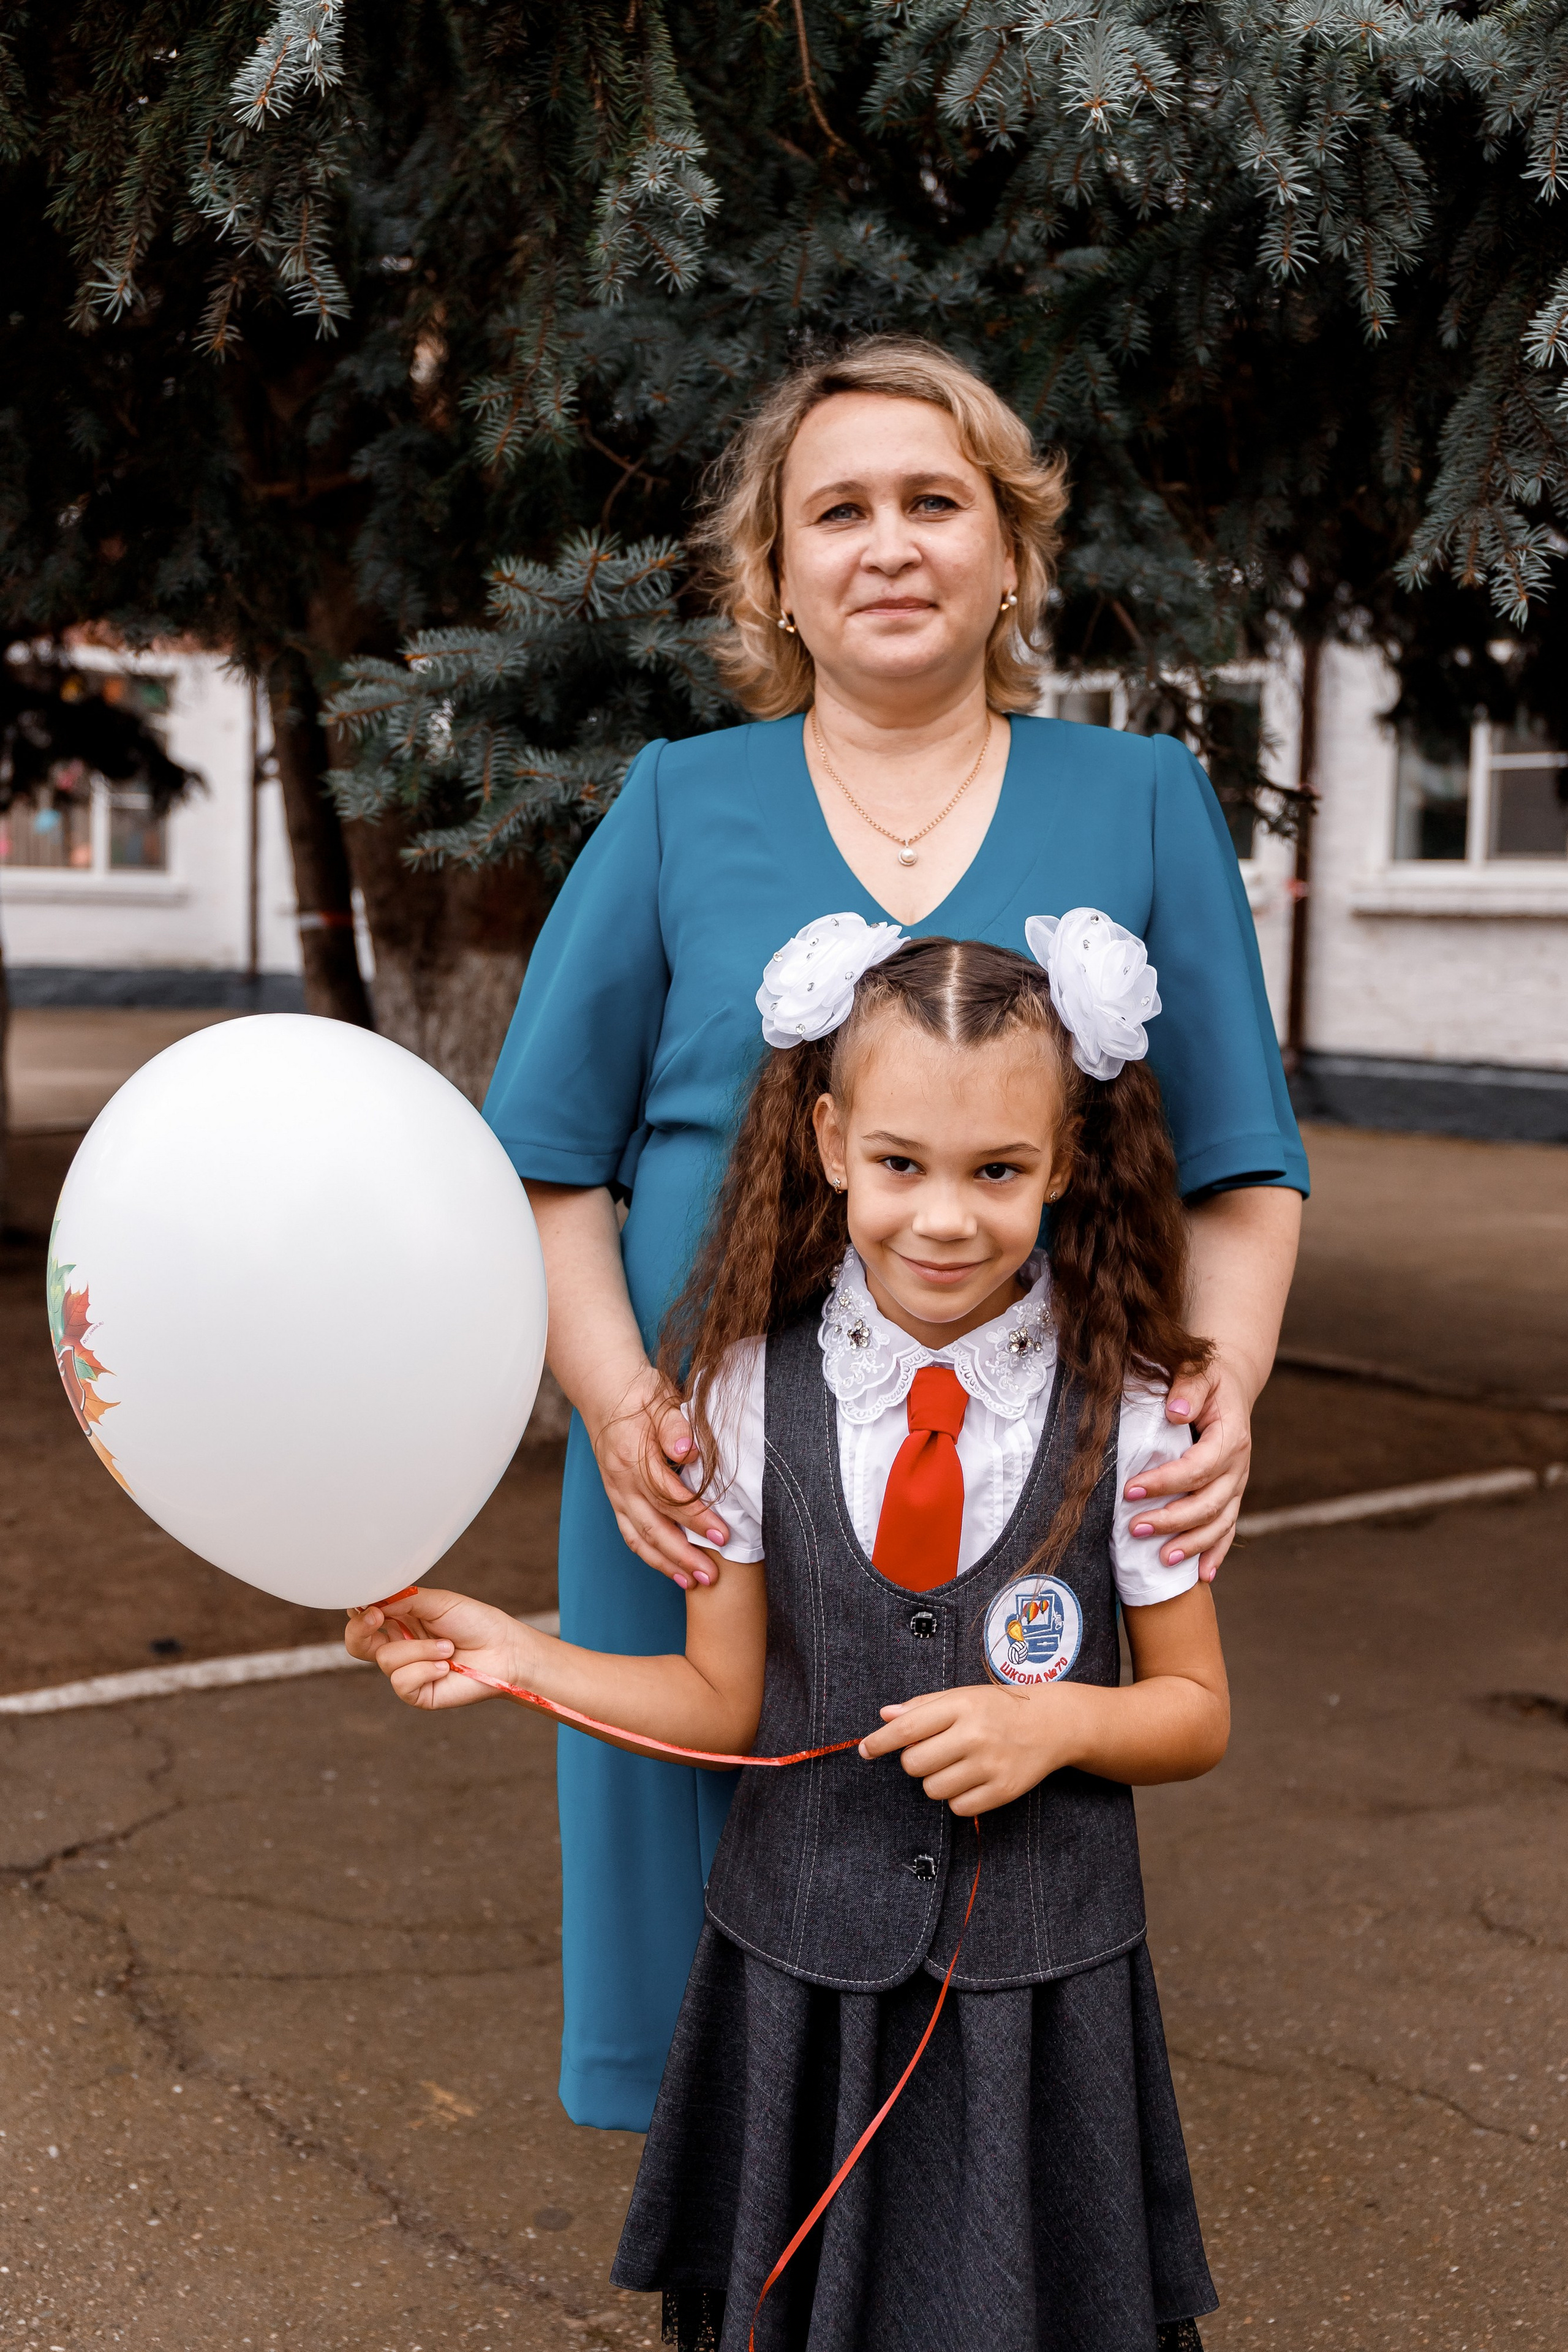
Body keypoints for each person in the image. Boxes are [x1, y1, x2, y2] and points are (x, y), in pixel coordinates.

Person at [482, 334, 1305, 2129]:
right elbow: (547, 1161)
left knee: (973, 1892)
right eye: (835, 510)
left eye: (936, 502)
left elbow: (1242, 1166)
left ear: (1011, 550)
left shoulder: (1143, 800)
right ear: (774, 574)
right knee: (700, 1913)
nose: (889, 544)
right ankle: (729, 2271)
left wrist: (1221, 1392)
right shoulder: (678, 805)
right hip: (699, 1487)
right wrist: (626, 1408)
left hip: (1015, 1484)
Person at [353, 917, 1230, 2351]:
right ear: (828, 1142)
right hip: (799, 1983)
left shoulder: (1136, 1405)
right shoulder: (749, 1389)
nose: (943, 1217)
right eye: (901, 1163)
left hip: (1037, 1998)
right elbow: (721, 1698)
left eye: (997, 1171)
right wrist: (516, 1654)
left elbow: (1193, 1709)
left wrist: (1060, 1718)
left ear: (1065, 1161)